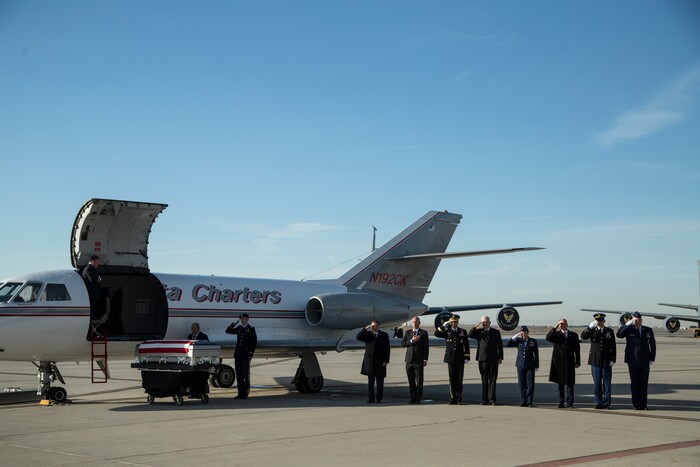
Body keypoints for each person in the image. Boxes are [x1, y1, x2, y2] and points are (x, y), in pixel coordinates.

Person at [616, 311, 656, 410]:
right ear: (633, 320)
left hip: (645, 360)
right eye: (636, 320)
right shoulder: (629, 329)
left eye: (639, 320)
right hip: (632, 360)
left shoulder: (648, 330)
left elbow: (653, 345)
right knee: (635, 383)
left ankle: (643, 404)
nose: (638, 322)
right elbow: (619, 335)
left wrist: (652, 358)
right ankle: (636, 404)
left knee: (644, 383)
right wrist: (627, 324)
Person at [581, 313, 616, 409]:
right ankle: (598, 402)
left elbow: (613, 346)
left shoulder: (609, 331)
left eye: (601, 320)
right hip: (595, 361)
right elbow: (583, 336)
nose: (599, 322)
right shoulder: (592, 331)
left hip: (606, 360)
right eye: (598, 321)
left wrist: (613, 359)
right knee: (597, 383)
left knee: (607, 384)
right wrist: (590, 327)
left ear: (604, 321)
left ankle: (607, 402)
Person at [434, 314, 470, 405]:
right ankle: (453, 398)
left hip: (460, 358)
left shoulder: (462, 331)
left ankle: (459, 398)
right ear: (450, 322)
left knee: (459, 379)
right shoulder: (447, 331)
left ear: (458, 322)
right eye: (452, 322)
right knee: (452, 379)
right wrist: (443, 325)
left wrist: (467, 357)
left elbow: (466, 345)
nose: (454, 323)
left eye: (455, 322)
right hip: (450, 358)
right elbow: (436, 334)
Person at [468, 316, 503, 405]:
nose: (485, 323)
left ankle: (493, 399)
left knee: (493, 379)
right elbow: (470, 335)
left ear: (490, 322)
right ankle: (484, 399)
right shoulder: (479, 332)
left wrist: (500, 357)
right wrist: (475, 327)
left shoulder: (496, 332)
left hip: (493, 359)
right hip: (482, 359)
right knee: (484, 380)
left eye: (486, 322)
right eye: (483, 322)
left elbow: (500, 345)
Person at [546, 318, 580, 408]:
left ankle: (570, 402)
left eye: (563, 324)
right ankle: (561, 402)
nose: (562, 325)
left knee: (570, 384)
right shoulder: (556, 335)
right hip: (558, 362)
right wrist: (555, 327)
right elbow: (548, 337)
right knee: (560, 384)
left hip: (569, 362)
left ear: (567, 324)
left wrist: (577, 362)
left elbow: (577, 350)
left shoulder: (574, 335)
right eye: (560, 324)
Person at [356, 320, 391, 403]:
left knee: (380, 383)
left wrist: (386, 360)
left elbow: (387, 349)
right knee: (370, 383)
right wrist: (365, 328)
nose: (374, 327)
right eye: (372, 326)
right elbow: (358, 337)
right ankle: (371, 398)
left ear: (379, 326)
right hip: (370, 362)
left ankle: (379, 398)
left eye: (375, 326)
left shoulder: (384, 335)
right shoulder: (368, 334)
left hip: (380, 362)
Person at [225, 313, 257, 399]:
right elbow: (228, 331)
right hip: (238, 355)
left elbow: (253, 343)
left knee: (245, 375)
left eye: (243, 318)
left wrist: (250, 355)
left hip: (245, 355)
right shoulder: (239, 328)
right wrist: (234, 324)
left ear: (247, 319)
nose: (242, 320)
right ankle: (240, 393)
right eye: (241, 319)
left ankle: (245, 393)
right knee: (239, 375)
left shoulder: (251, 329)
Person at [508, 325, 539, 407]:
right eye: (521, 333)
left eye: (524, 332)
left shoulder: (533, 341)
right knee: (522, 384)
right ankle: (523, 401)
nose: (522, 334)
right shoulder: (518, 341)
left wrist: (537, 365)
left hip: (530, 365)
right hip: (520, 365)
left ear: (527, 333)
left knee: (530, 384)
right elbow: (508, 344)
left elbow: (536, 354)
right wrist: (514, 337)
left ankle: (529, 402)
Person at [401, 316, 429, 404]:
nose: (414, 323)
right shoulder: (408, 332)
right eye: (413, 322)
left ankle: (418, 398)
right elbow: (403, 344)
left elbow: (426, 347)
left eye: (416, 322)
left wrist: (425, 359)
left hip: (419, 360)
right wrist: (411, 341)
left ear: (419, 323)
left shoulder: (423, 333)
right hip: (409, 360)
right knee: (411, 380)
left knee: (419, 380)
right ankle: (412, 398)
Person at [82, 255, 109, 327]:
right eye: (97, 262)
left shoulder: (89, 269)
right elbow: (93, 280)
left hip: (92, 295)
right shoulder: (89, 269)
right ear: (93, 261)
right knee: (91, 311)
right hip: (91, 295)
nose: (98, 264)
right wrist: (99, 279)